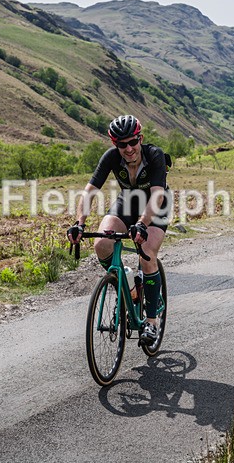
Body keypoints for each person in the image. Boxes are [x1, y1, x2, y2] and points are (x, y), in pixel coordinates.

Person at [67, 115, 170, 344]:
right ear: (115, 144)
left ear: (140, 138)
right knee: (102, 243)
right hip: (128, 201)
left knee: (147, 253)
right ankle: (128, 283)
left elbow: (157, 195)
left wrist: (143, 224)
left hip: (156, 205)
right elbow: (89, 191)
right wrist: (79, 223)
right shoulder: (112, 157)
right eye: (122, 144)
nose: (129, 148)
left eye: (133, 142)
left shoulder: (154, 155)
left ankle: (151, 322)